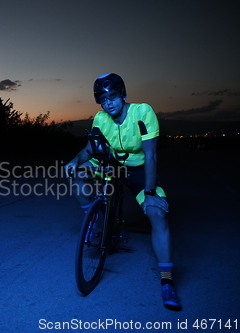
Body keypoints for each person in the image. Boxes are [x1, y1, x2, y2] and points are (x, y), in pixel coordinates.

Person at [64, 73, 181, 311]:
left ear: (123, 95)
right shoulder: (100, 118)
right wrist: (74, 161)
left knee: (157, 214)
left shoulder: (143, 112)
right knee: (77, 176)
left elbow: (151, 155)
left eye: (113, 97)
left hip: (138, 170)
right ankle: (95, 219)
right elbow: (90, 149)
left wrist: (149, 192)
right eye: (103, 100)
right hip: (110, 164)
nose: (108, 103)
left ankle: (167, 281)